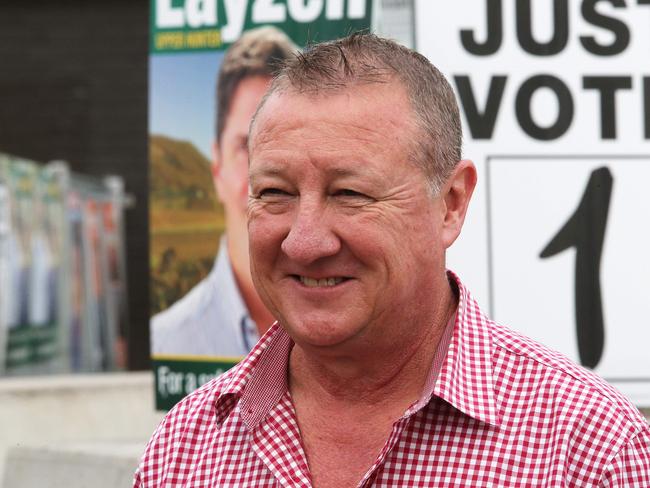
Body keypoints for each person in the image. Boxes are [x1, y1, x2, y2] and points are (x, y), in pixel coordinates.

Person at [136, 33, 650, 486]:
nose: (305, 241)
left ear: (451, 203)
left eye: (350, 193)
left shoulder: (590, 452)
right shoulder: (184, 448)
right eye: (275, 191)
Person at [151, 27, 296, 356]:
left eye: (285, 143)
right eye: (246, 145)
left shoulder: (359, 331)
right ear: (216, 165)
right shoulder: (169, 342)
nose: (266, 171)